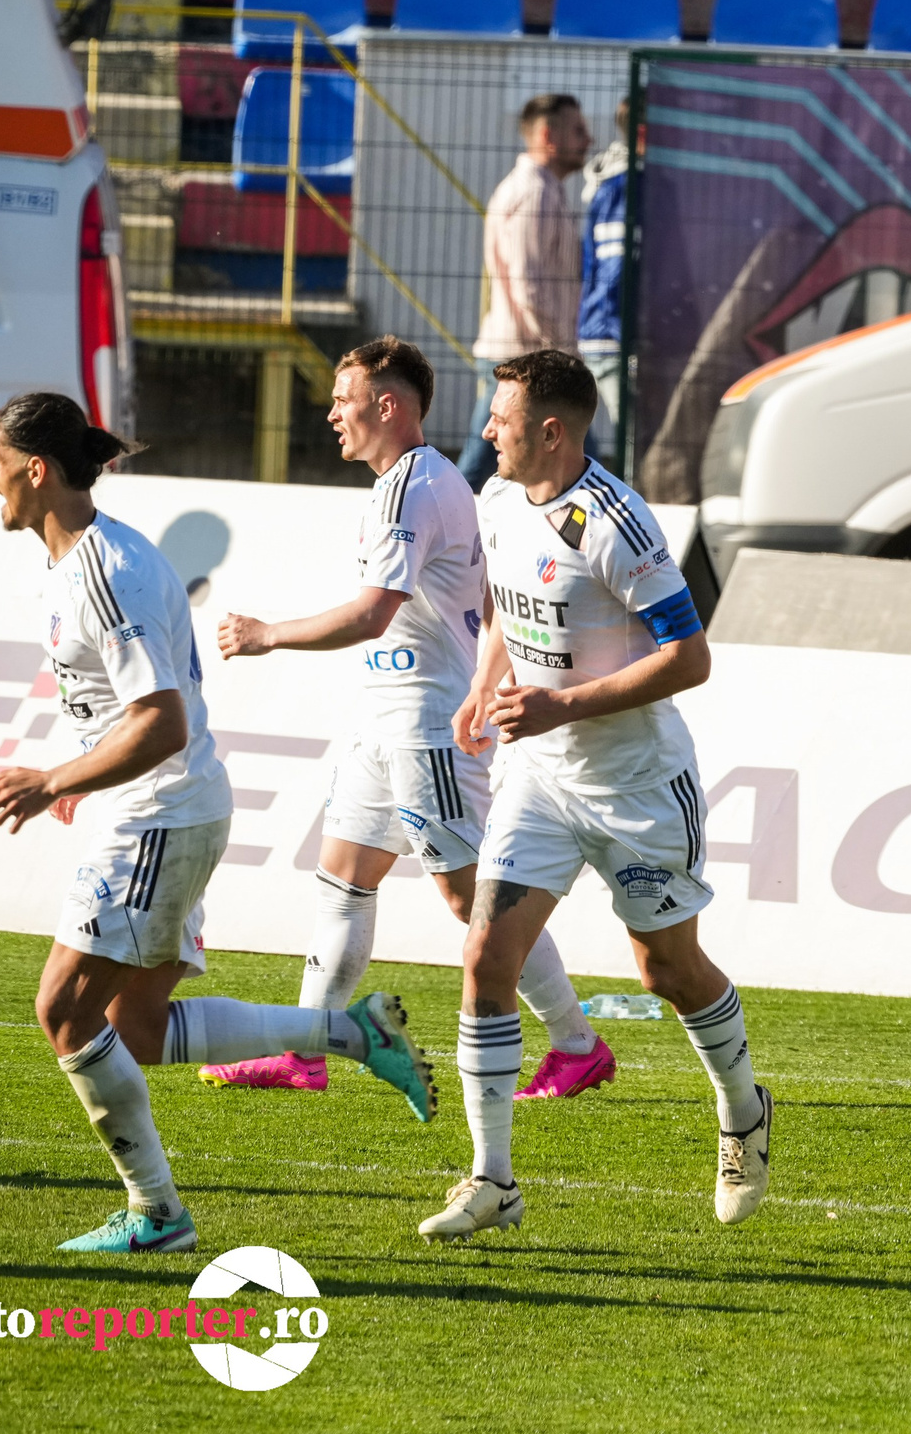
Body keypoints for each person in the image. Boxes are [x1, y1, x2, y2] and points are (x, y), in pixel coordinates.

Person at [0, 393, 434, 1256]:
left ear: (36, 470)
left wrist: (53, 780)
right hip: (162, 807)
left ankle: (157, 1212)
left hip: (159, 813)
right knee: (137, 1030)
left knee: (64, 1010)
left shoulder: (103, 569)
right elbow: (134, 711)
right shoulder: (80, 559)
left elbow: (162, 722)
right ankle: (353, 1031)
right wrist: (84, 771)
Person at [204, 336, 614, 1102]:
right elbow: (484, 597)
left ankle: (576, 1043)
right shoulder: (424, 482)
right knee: (343, 876)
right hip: (386, 722)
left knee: (476, 898)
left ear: (387, 404)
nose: (332, 413)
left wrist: (268, 634)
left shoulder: (416, 486)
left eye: (344, 398)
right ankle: (306, 1051)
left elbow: (373, 614)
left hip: (425, 728)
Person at [425, 349, 768, 1240]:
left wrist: (561, 705)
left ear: (552, 431)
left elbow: (689, 656)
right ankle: (492, 1180)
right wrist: (484, 687)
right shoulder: (499, 499)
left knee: (667, 971)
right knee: (485, 958)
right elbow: (505, 604)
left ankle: (742, 1112)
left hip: (637, 787)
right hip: (541, 779)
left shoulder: (616, 524)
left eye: (501, 418)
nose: (486, 429)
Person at [461, 94, 590, 489]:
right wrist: (559, 353)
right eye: (578, 131)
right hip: (524, 357)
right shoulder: (535, 193)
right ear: (548, 136)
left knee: (497, 462)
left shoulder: (541, 189)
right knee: (482, 465)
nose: (589, 140)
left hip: (525, 354)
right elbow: (529, 285)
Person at [579, 100, 631, 466]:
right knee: (635, 445)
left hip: (613, 334)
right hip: (615, 338)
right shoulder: (623, 188)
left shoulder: (622, 183)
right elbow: (615, 271)